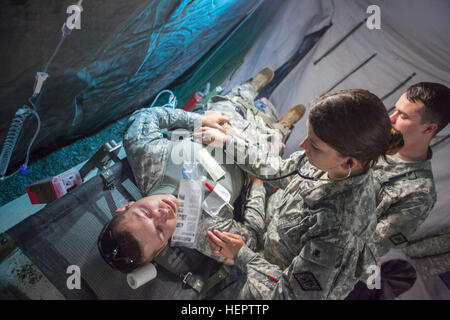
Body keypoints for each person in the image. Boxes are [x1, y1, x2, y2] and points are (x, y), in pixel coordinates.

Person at [195, 89, 404, 300]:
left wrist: (243, 256)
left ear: (349, 162)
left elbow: (288, 295)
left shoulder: (339, 232)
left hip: (265, 285)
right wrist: (228, 143)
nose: (303, 146)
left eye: (314, 145)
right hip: (261, 246)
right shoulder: (331, 164)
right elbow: (281, 170)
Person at [97, 69, 306, 273]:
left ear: (126, 206)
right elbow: (251, 237)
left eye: (145, 213)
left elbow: (143, 118)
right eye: (160, 231)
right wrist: (258, 185)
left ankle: (250, 87)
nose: (162, 213)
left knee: (236, 99)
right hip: (255, 154)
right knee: (275, 140)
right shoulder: (207, 234)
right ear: (161, 248)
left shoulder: (149, 161)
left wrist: (198, 120)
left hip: (225, 118)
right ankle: (283, 126)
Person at [372, 82, 450, 257]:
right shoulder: (372, 140)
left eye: (403, 116)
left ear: (429, 128)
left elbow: (368, 250)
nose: (391, 118)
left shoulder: (419, 193)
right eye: (396, 110)